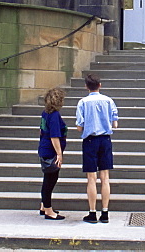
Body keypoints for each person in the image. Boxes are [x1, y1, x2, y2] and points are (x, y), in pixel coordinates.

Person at [74, 73, 118, 224]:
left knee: (91, 178)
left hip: (90, 140)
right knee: (105, 177)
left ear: (86, 86)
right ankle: (105, 212)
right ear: (100, 85)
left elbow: (80, 127)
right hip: (105, 139)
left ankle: (92, 213)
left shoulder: (82, 102)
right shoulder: (108, 101)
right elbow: (115, 123)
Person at [38, 87, 67, 220]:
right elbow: (54, 136)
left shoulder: (45, 113)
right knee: (51, 180)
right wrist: (59, 154)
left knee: (47, 178)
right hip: (50, 151)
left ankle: (44, 206)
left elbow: (41, 131)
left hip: (44, 148)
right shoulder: (54, 115)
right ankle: (49, 211)